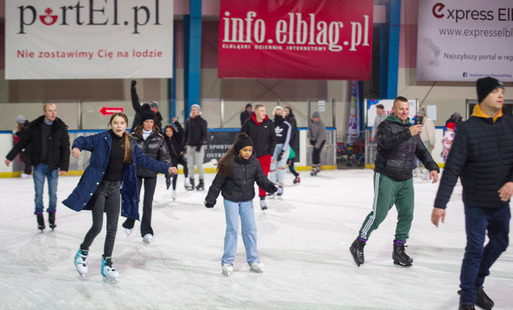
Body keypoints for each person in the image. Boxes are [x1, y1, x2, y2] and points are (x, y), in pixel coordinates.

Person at [63, 112, 177, 281]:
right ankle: (82, 254)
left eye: (122, 123)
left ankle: (107, 264)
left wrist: (166, 168)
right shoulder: (101, 138)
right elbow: (82, 140)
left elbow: (145, 161)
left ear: (126, 125)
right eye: (115, 122)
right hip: (99, 188)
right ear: (111, 124)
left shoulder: (130, 143)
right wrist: (77, 147)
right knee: (97, 226)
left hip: (115, 189)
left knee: (112, 228)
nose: (118, 125)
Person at [431, 77, 510, 310]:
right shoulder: (467, 130)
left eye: (502, 91)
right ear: (483, 96)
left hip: (501, 203)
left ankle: (476, 284)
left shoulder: (509, 125)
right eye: (495, 91)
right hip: (476, 202)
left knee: (500, 242)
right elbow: (453, 168)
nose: (500, 95)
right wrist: (440, 203)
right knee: (474, 248)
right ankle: (467, 299)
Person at [349, 96, 439, 267]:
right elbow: (386, 142)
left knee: (407, 214)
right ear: (394, 111)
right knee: (379, 214)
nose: (404, 112)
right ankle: (359, 243)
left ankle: (398, 250)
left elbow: (421, 150)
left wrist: (432, 166)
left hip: (405, 178)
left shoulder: (411, 128)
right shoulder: (386, 125)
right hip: (386, 175)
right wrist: (408, 132)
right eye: (401, 109)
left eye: (406, 109)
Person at [204, 133, 277, 276]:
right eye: (245, 150)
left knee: (250, 229)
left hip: (246, 200)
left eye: (250, 150)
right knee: (232, 230)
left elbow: (261, 178)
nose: (248, 153)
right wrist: (210, 199)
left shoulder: (254, 162)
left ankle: (253, 260)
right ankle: (227, 261)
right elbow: (217, 183)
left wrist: (270, 187)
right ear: (238, 150)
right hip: (231, 199)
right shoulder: (229, 162)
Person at [5, 103, 70, 232]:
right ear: (44, 112)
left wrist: (64, 166)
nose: (53, 113)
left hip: (53, 166)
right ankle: (40, 218)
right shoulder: (34, 127)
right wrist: (10, 157)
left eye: (54, 110)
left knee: (53, 194)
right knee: (38, 194)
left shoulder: (60, 127)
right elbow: (22, 142)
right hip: (39, 165)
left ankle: (52, 217)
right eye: (50, 111)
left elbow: (65, 148)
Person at [122, 109, 172, 243]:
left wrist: (168, 173)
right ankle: (130, 221)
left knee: (148, 202)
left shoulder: (159, 138)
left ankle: (146, 230)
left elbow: (165, 156)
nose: (149, 124)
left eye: (151, 122)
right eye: (147, 121)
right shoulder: (132, 137)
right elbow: (126, 156)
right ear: (142, 122)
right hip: (136, 172)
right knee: (134, 199)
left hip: (151, 173)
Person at [240, 104, 276, 210]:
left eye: (264, 110)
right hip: (251, 156)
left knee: (263, 178)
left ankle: (263, 198)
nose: (264, 112)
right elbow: (241, 136)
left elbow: (273, 139)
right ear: (255, 112)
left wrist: (270, 153)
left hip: (265, 155)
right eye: (261, 110)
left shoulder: (269, 123)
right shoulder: (248, 123)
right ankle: (247, 199)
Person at [164, 118, 191, 199]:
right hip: (172, 158)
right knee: (175, 173)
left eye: (170, 131)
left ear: (173, 131)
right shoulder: (164, 140)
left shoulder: (177, 136)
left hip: (179, 155)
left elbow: (181, 131)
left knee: (185, 163)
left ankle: (186, 179)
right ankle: (174, 190)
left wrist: (176, 122)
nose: (168, 133)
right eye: (167, 131)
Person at [184, 104, 208, 191]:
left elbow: (204, 135)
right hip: (190, 146)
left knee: (199, 164)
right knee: (190, 165)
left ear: (198, 111)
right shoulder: (188, 121)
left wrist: (199, 145)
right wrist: (184, 145)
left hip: (199, 147)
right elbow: (186, 134)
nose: (194, 111)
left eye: (195, 109)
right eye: (193, 109)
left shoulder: (202, 121)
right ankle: (192, 182)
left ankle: (201, 182)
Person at [269, 106, 291, 196]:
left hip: (283, 148)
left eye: (280, 113)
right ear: (274, 114)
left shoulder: (287, 125)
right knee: (272, 168)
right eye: (277, 113)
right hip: (273, 148)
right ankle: (272, 188)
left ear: (283, 114)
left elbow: (288, 138)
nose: (279, 115)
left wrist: (283, 151)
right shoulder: (271, 123)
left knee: (280, 167)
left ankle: (281, 187)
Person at [413, 107, 436, 179]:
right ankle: (423, 171)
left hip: (427, 142)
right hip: (421, 142)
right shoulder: (421, 121)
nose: (418, 115)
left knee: (427, 158)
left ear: (422, 114)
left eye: (419, 113)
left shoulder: (428, 121)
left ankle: (428, 173)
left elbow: (431, 133)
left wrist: (432, 143)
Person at [284, 106, 300, 184]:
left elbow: (293, 132)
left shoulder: (291, 119)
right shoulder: (284, 120)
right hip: (284, 144)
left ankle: (296, 175)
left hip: (289, 144)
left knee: (290, 165)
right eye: (284, 111)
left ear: (289, 111)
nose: (285, 112)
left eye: (286, 111)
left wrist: (289, 142)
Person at [308, 111, 326, 176]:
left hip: (322, 140)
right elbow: (309, 131)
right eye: (313, 118)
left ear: (318, 118)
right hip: (315, 139)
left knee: (316, 152)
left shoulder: (321, 124)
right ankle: (316, 166)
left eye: (315, 118)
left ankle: (316, 167)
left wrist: (317, 145)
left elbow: (321, 135)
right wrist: (310, 139)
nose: (314, 119)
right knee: (314, 153)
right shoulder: (311, 122)